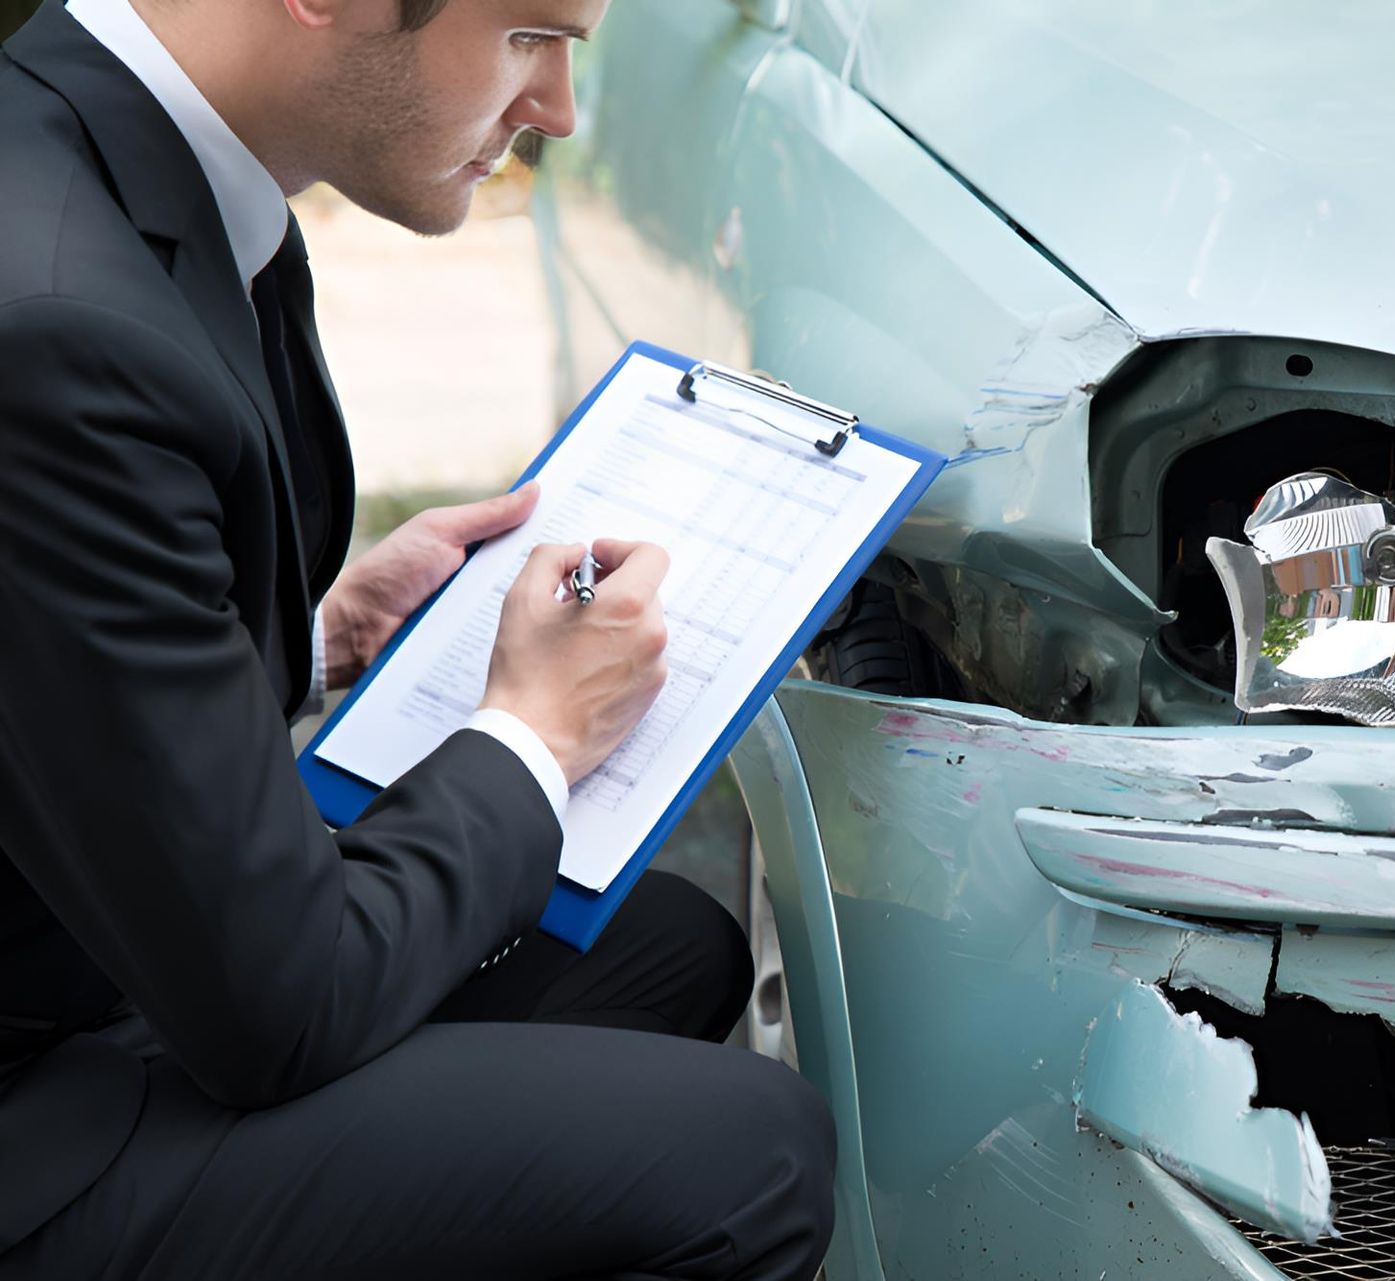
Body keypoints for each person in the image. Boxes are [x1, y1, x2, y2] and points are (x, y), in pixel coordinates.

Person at [0, 0, 835, 1275]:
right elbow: (277, 1015)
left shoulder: (117, 171)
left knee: (661, 948)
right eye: (526, 37)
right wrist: (533, 733)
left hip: (90, 961)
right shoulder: (60, 324)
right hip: (36, 1117)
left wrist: (324, 642)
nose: (556, 108)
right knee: (751, 1152)